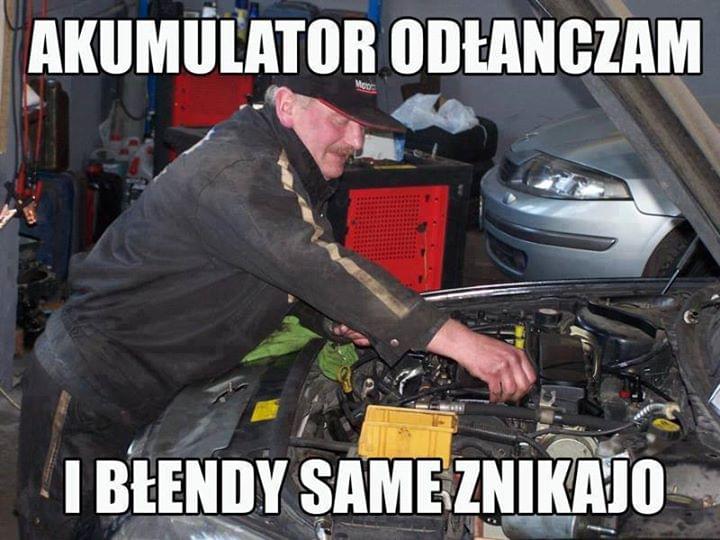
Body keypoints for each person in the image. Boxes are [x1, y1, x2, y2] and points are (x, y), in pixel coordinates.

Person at [17, 72, 535, 538]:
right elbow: (313, 263)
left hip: (157, 381)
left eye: (362, 126)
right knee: (65, 525)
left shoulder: (286, 164)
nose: (356, 141)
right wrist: (463, 343)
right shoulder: (240, 169)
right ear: (287, 105)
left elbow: (276, 275)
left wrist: (332, 320)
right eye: (342, 121)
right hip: (92, 386)